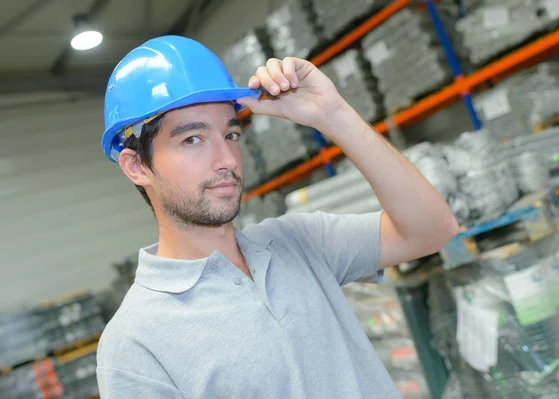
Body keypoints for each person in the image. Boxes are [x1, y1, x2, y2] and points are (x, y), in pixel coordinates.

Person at [96, 35, 458, 398]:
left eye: (231, 134)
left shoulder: (298, 243)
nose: (226, 159)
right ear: (136, 165)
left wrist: (333, 116)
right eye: (193, 139)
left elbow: (433, 230)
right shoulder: (134, 343)